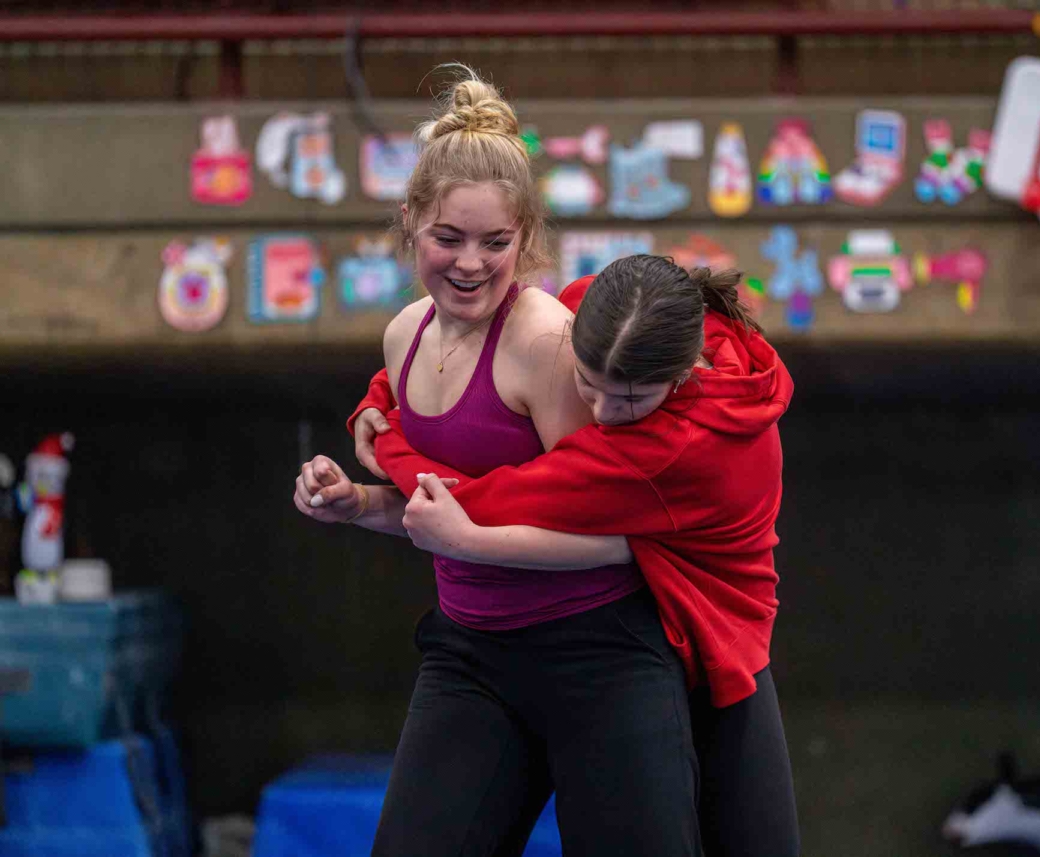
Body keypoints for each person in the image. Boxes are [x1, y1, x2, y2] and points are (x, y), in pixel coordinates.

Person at [294, 72, 703, 857]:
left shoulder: (543, 342)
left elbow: (624, 534)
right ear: (410, 220)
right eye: (448, 238)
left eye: (497, 242)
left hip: (601, 654)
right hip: (473, 654)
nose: (472, 264)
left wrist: (466, 541)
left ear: (527, 236)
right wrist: (360, 504)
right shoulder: (402, 336)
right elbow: (444, 512)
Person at [304, 254, 802, 857]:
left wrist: (391, 440)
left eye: (630, 399)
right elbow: (472, 349)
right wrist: (386, 391)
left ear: (679, 379)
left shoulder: (678, 448)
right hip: (502, 648)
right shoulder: (597, 306)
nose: (601, 415)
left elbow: (480, 502)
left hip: (710, 644)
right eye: (586, 384)